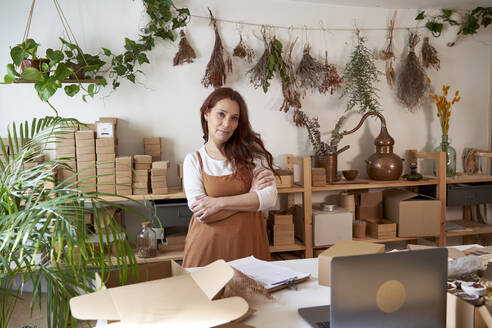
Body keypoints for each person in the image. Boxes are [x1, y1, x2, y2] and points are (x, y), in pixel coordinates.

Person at [182, 88, 278, 268]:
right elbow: (202, 213)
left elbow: (269, 197)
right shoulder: (193, 160)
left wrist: (218, 203)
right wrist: (251, 195)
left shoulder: (254, 155)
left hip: (249, 248)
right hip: (206, 250)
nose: (227, 124)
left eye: (234, 118)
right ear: (206, 114)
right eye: (221, 114)